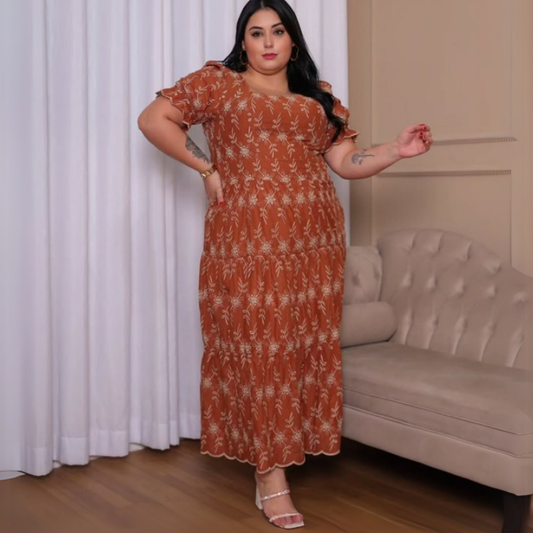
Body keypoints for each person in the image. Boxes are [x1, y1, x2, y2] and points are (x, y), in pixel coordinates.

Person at [138, 0, 432, 529]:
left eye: (278, 31)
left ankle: (283, 456)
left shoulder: (317, 99)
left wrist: (395, 150)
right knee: (259, 347)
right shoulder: (219, 84)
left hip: (314, 240)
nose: (268, 41)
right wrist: (206, 167)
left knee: (299, 347)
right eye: (256, 33)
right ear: (243, 42)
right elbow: (153, 118)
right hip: (246, 239)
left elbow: (345, 162)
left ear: (293, 41)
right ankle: (270, 477)